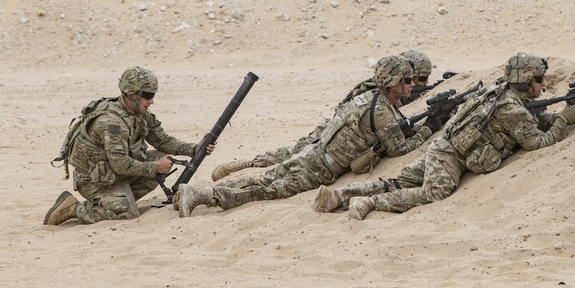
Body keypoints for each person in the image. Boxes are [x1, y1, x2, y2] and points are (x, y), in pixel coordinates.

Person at [313, 52, 575, 221]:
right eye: (539, 80)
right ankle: (369, 202)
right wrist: (564, 120)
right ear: (526, 81)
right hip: (449, 157)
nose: (544, 84)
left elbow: (533, 119)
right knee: (433, 193)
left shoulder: (503, 93)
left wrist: (562, 113)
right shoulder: (512, 108)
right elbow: (537, 142)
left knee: (399, 181)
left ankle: (339, 195)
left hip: (443, 148)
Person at [176, 54, 436, 217]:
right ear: (393, 84)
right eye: (408, 80)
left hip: (311, 153)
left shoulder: (370, 98)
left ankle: (200, 192)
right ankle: (204, 196)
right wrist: (429, 128)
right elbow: (399, 150)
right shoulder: (382, 112)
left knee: (266, 180)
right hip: (319, 168)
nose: (413, 85)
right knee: (265, 191)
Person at [209, 49, 436, 181]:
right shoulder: (379, 91)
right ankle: (245, 165)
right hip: (334, 133)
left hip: (338, 133)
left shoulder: (394, 88)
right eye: (419, 79)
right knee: (293, 153)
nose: (419, 84)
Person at [43, 66, 215, 226]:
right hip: (94, 179)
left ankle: (118, 199)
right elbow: (120, 164)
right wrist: (155, 167)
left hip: (113, 172)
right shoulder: (111, 122)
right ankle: (71, 208)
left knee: (161, 158)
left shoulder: (139, 113)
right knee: (126, 213)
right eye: (148, 95)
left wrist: (194, 149)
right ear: (133, 94)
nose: (152, 101)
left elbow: (162, 140)